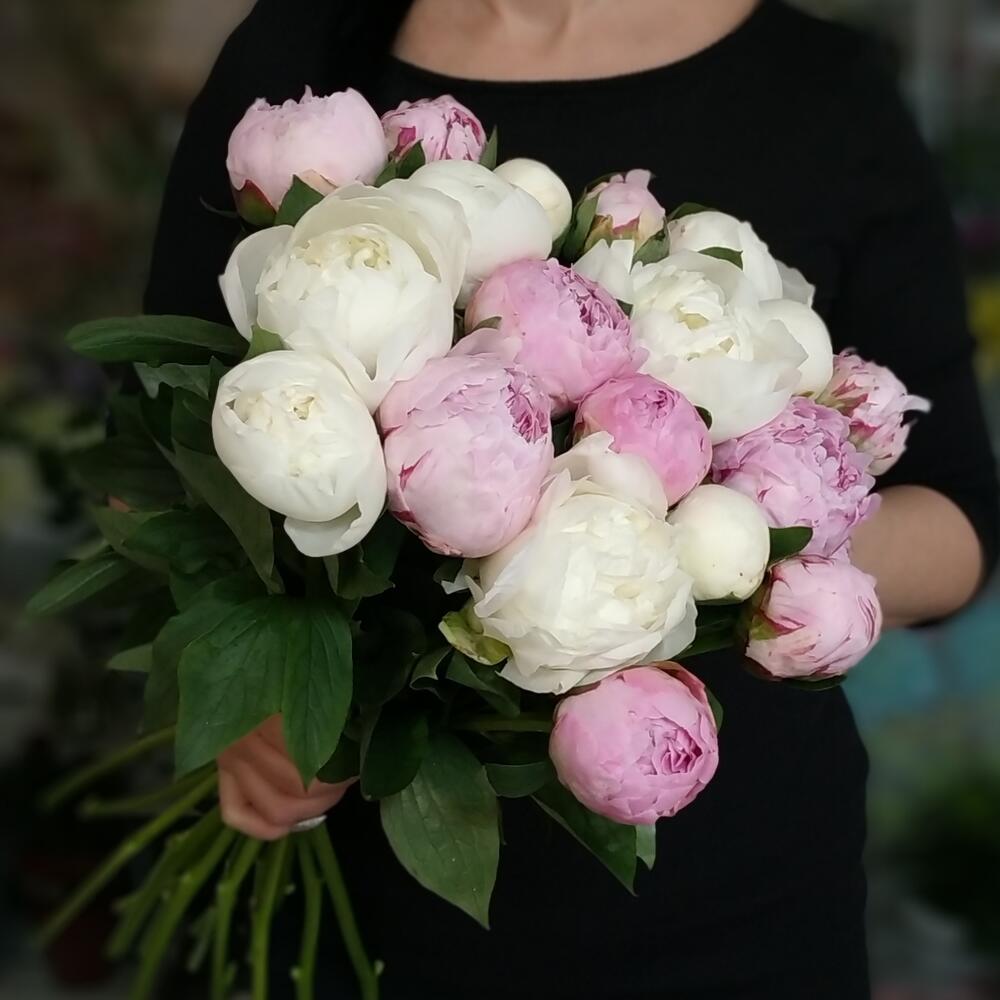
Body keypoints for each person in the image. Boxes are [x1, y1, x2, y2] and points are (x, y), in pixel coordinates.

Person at [144, 1, 999, 997]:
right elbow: (160, 433)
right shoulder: (308, 66)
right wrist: (254, 689)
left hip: (723, 907)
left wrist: (701, 537)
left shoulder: (822, 89)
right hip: (345, 892)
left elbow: (960, 523)